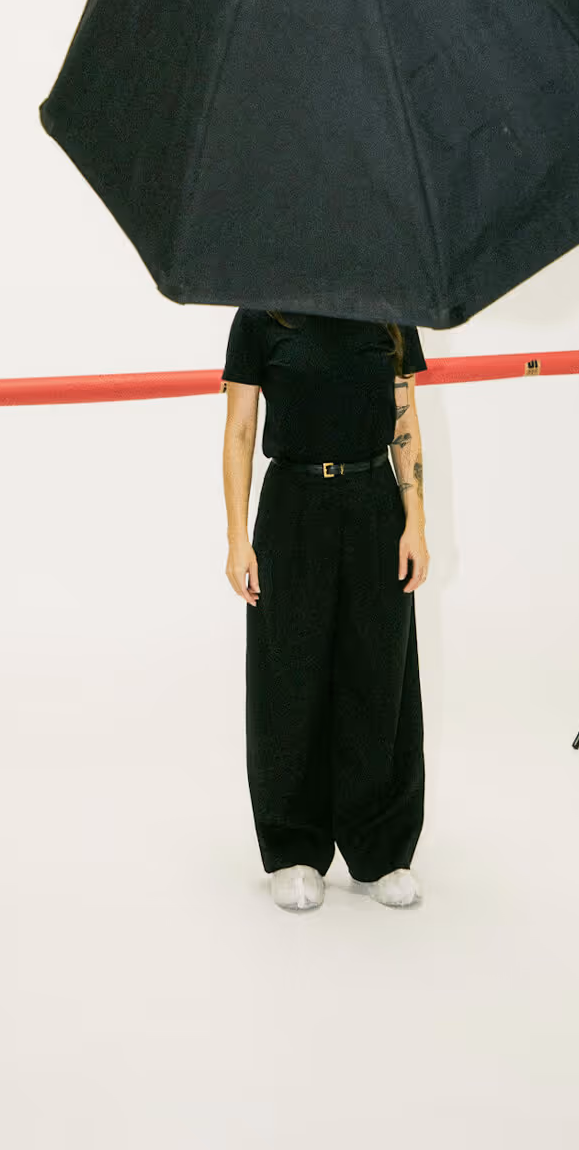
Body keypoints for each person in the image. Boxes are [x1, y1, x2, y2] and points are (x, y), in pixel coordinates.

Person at [222, 308, 430, 913]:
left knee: (378, 673)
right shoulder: (260, 316)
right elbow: (239, 430)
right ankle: (294, 849)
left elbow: (404, 418)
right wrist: (238, 537)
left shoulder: (390, 307)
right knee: (289, 676)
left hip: (374, 505)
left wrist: (415, 519)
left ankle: (379, 848)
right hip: (293, 506)